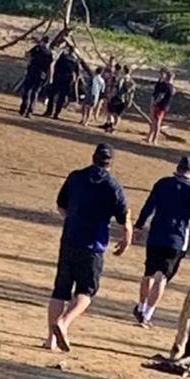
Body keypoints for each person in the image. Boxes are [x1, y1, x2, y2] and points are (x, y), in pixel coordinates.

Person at [47, 143, 132, 353]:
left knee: (60, 290)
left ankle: (49, 339)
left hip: (69, 239)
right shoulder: (113, 185)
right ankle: (65, 323)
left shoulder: (76, 177)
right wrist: (126, 238)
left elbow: (60, 204)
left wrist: (72, 219)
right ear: (110, 162)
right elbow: (124, 217)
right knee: (86, 291)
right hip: (93, 245)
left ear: (93, 157)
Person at [132, 155, 190, 328]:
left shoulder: (163, 183)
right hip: (177, 239)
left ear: (178, 168)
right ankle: (147, 314)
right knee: (162, 278)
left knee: (149, 273)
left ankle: (141, 306)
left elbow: (148, 206)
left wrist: (139, 225)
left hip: (156, 234)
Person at [19, 36, 53, 118]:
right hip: (41, 75)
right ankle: (30, 111)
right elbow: (50, 67)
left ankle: (24, 108)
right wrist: (50, 78)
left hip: (32, 72)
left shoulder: (37, 48)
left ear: (42, 41)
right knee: (35, 92)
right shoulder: (49, 53)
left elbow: (27, 55)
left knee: (27, 90)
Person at [44, 45, 80, 120]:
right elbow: (77, 73)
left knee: (53, 95)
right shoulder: (75, 61)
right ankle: (56, 113)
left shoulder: (63, 57)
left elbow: (56, 66)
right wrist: (73, 82)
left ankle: (49, 111)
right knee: (61, 98)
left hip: (59, 77)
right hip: (67, 80)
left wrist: (53, 76)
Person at [104, 65, 135, 133]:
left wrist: (111, 95)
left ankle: (111, 126)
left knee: (111, 112)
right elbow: (132, 92)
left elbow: (117, 88)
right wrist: (129, 100)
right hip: (124, 100)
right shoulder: (131, 81)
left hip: (117, 98)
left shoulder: (121, 79)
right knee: (118, 115)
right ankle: (114, 128)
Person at [147, 69, 175, 145]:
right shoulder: (170, 86)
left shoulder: (166, 86)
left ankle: (154, 140)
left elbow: (161, 96)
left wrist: (155, 103)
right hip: (163, 106)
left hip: (160, 106)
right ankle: (150, 138)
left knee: (156, 123)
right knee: (155, 122)